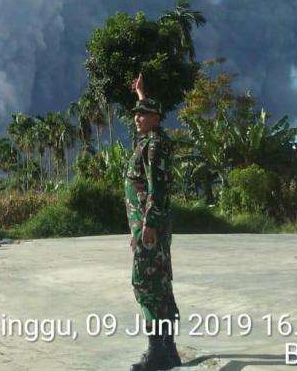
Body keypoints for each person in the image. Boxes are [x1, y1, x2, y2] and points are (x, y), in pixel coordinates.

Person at [124, 74, 181, 371]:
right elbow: (145, 112)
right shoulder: (149, 139)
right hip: (147, 226)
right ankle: (169, 352)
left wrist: (149, 224)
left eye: (143, 114)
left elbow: (156, 187)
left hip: (151, 228)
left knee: (146, 284)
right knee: (161, 285)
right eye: (136, 113)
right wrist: (141, 93)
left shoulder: (155, 145)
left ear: (156, 118)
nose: (137, 117)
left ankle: (156, 352)